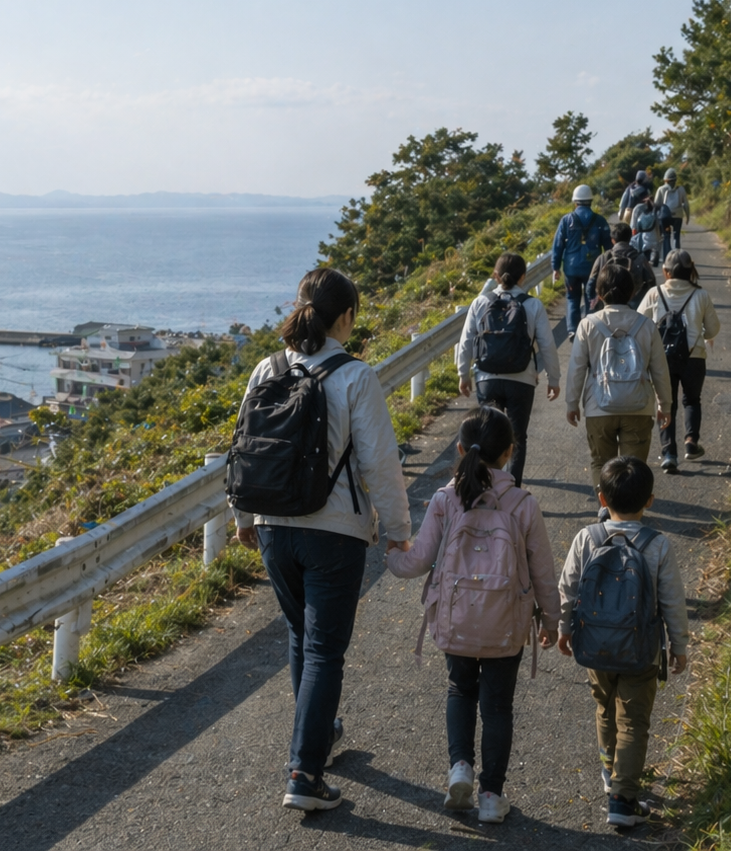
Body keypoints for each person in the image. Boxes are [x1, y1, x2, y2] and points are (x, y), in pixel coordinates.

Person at [232, 267, 412, 812]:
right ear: (346, 317)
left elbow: (245, 444)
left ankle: (318, 738)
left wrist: (242, 514)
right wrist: (400, 530)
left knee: (299, 635)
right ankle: (305, 774)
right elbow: (379, 462)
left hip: (272, 528)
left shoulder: (268, 366)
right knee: (324, 650)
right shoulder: (355, 376)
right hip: (333, 533)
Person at [387, 406, 560, 823]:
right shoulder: (522, 504)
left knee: (460, 689)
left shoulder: (447, 499)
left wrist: (392, 553)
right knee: (498, 706)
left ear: (461, 449)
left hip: (456, 619)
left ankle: (459, 768)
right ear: (510, 453)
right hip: (507, 624)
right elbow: (542, 571)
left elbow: (418, 560)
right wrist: (552, 621)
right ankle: (490, 797)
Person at [557, 456, 689, 828]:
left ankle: (608, 772)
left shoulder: (587, 537)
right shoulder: (657, 545)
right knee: (633, 720)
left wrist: (564, 629)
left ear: (601, 498)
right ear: (650, 500)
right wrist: (678, 646)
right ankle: (623, 799)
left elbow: (567, 589)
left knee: (604, 706)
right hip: (640, 650)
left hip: (595, 645)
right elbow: (673, 602)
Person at [455, 252, 561, 487]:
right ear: (523, 276)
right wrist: (554, 378)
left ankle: (482, 486)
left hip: (486, 378)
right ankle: (512, 490)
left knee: (484, 436)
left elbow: (466, 342)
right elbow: (547, 345)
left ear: (495, 276)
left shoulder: (480, 302)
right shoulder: (532, 305)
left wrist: (463, 374)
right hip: (521, 380)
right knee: (517, 438)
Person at [565, 264, 671, 493]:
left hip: (598, 408)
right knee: (634, 468)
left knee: (601, 464)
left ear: (600, 294)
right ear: (633, 292)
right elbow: (660, 369)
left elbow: (576, 369)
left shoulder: (587, 325)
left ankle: (606, 509)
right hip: (639, 407)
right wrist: (665, 404)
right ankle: (631, 513)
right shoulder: (647, 325)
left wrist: (571, 403)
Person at [637, 249, 721, 473]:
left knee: (666, 405)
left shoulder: (655, 294)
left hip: (661, 359)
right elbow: (713, 328)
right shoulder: (700, 295)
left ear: (665, 272)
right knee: (692, 400)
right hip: (694, 358)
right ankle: (691, 440)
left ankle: (668, 453)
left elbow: (639, 322)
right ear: (690, 270)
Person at [550, 185, 612, 340]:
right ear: (590, 201)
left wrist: (555, 268)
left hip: (571, 269)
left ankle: (572, 330)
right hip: (593, 268)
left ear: (575, 202)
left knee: (572, 298)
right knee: (592, 297)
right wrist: (609, 266)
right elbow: (609, 247)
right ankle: (591, 329)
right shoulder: (600, 220)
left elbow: (557, 246)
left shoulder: (566, 220)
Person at [585, 224, 656, 311]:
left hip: (607, 308)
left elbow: (590, 284)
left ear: (612, 240)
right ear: (630, 238)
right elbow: (651, 282)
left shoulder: (603, 258)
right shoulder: (640, 258)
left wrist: (595, 302)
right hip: (634, 308)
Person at [654, 169, 690, 257]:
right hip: (678, 216)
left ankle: (667, 256)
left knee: (666, 236)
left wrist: (656, 219)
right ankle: (677, 256)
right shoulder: (681, 189)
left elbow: (656, 205)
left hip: (666, 216)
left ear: (665, 180)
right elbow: (686, 204)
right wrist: (687, 216)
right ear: (675, 180)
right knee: (676, 236)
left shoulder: (661, 189)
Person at [629, 195, 664, 267]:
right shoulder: (657, 211)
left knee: (644, 265)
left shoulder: (639, 210)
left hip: (643, 243)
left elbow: (634, 227)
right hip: (655, 242)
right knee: (654, 264)